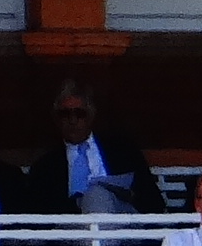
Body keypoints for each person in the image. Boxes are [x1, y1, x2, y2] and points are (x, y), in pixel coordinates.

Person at [22, 83, 163, 216]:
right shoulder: (45, 166)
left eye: (79, 113)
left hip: (123, 221)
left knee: (97, 195)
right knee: (93, 197)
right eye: (65, 114)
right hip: (73, 227)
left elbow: (153, 201)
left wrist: (128, 194)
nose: (73, 120)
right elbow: (39, 212)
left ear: (91, 115)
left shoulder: (122, 151)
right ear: (57, 119)